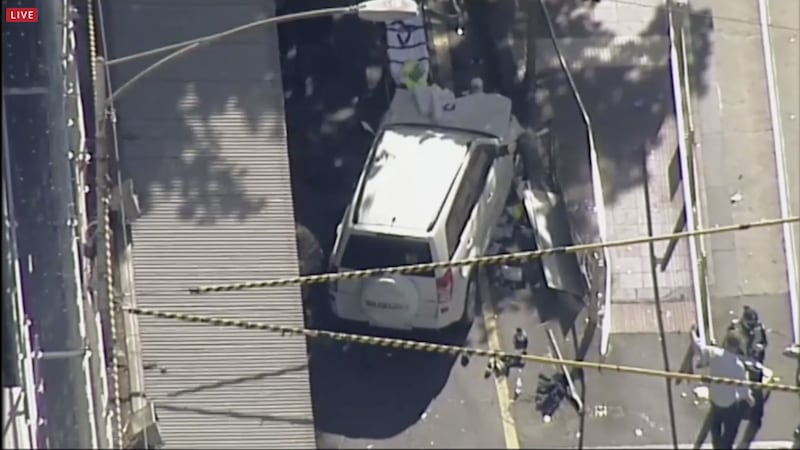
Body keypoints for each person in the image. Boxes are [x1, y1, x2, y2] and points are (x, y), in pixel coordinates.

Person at [692, 327, 754, 449]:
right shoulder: (738, 366)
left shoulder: (714, 354)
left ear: (726, 342)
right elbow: (743, 389)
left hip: (715, 400)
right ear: (737, 347)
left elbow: (698, 348)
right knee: (730, 433)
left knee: (716, 431)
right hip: (729, 405)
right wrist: (749, 399)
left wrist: (692, 333)